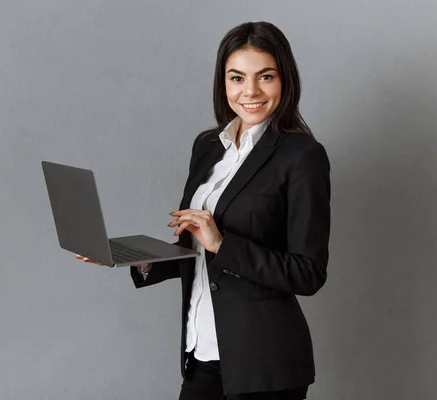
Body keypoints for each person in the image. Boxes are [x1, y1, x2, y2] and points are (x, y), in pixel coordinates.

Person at [77, 21, 331, 400]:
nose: (250, 92)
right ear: (222, 82)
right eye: (236, 78)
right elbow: (196, 253)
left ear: (285, 80)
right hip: (201, 352)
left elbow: (308, 274)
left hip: (265, 365)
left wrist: (221, 243)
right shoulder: (208, 146)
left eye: (265, 76)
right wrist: (139, 259)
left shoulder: (302, 156)